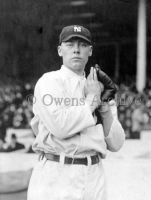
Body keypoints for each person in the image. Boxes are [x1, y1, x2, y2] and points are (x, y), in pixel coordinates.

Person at [27, 25, 125, 200]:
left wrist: (103, 107)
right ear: (60, 50)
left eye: (82, 44)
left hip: (94, 173)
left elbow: (116, 144)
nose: (77, 50)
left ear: (90, 51)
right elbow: (61, 127)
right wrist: (92, 99)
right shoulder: (49, 81)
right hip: (57, 171)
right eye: (70, 44)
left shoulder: (97, 85)